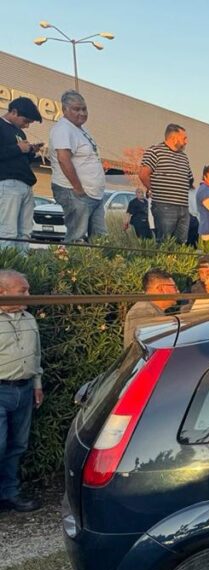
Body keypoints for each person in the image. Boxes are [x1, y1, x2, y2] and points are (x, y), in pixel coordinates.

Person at [0, 269, 43, 512]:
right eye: (22, 290)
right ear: (2, 292)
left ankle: (10, 494)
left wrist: (36, 385)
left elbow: (36, 355)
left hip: (24, 391)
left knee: (18, 446)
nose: (29, 294)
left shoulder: (29, 319)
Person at [49, 90, 106, 242]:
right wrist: (78, 188)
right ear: (65, 110)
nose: (82, 113)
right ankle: (70, 266)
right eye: (76, 109)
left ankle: (99, 266)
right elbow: (63, 159)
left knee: (100, 238)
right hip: (76, 192)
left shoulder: (81, 129)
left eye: (84, 109)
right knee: (76, 237)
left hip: (93, 194)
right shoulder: (63, 129)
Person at [0, 97, 43, 253]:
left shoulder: (20, 133)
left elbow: (19, 157)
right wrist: (18, 149)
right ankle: (5, 271)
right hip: (7, 182)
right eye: (25, 120)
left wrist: (30, 151)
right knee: (7, 231)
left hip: (25, 184)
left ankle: (21, 268)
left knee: (24, 232)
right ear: (14, 111)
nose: (27, 125)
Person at [140, 124, 194, 243]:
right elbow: (144, 174)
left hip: (183, 207)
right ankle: (163, 262)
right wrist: (152, 190)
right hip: (164, 205)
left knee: (181, 242)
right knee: (165, 241)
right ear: (174, 138)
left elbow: (190, 179)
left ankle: (177, 261)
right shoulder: (155, 151)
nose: (186, 142)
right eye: (184, 138)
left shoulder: (184, 157)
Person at [123, 268, 177, 348]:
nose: (178, 291)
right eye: (174, 287)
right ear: (161, 289)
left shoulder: (150, 309)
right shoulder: (144, 311)